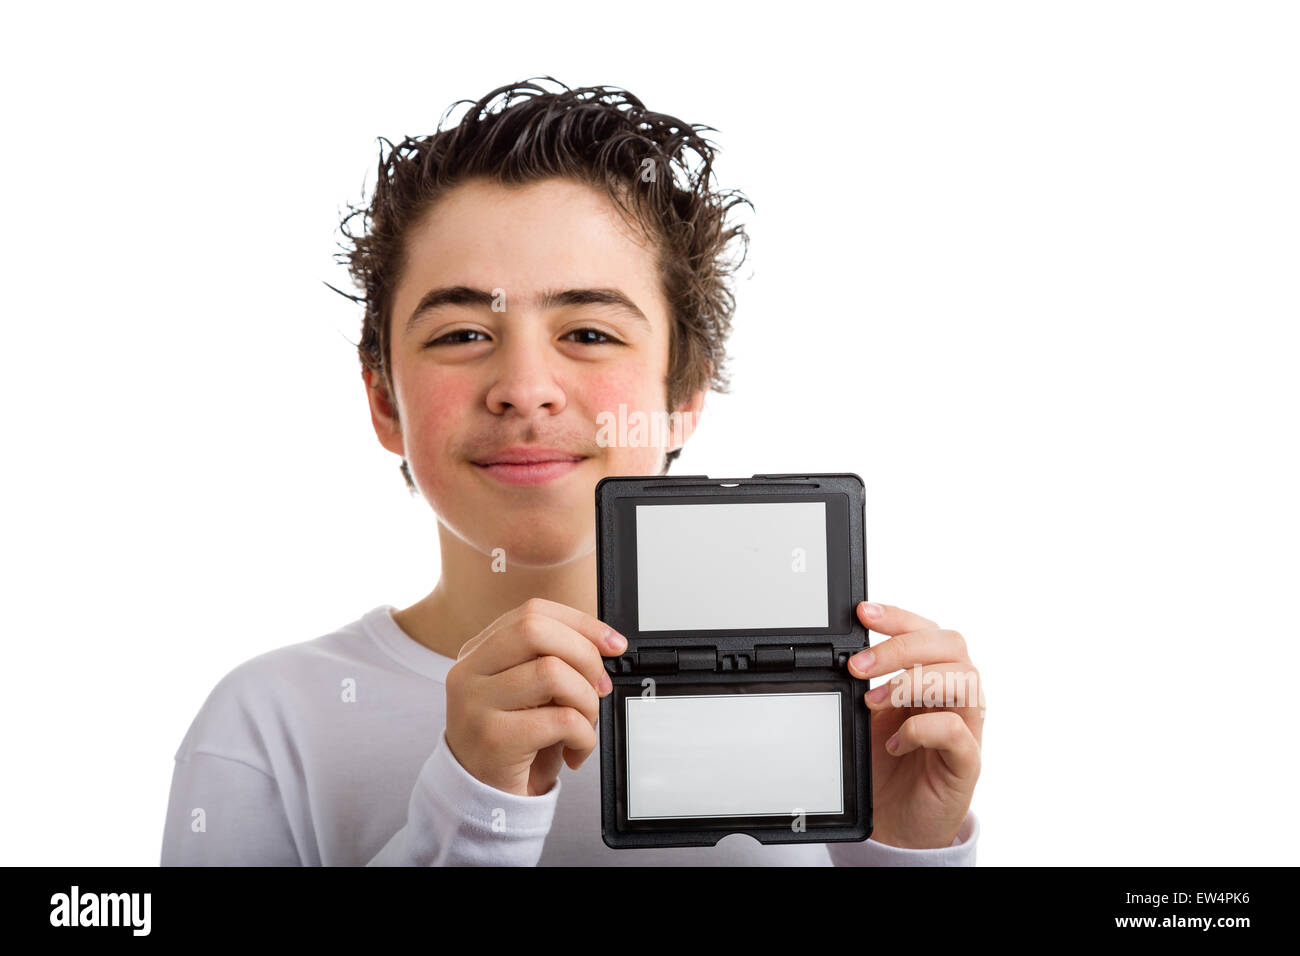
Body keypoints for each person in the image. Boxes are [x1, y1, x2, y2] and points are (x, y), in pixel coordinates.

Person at [161, 77, 984, 866]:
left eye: (589, 333)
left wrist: (903, 855)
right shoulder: (264, 726)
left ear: (685, 394)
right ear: (383, 400)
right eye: (460, 334)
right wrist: (470, 809)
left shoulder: (849, 726)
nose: (524, 391)